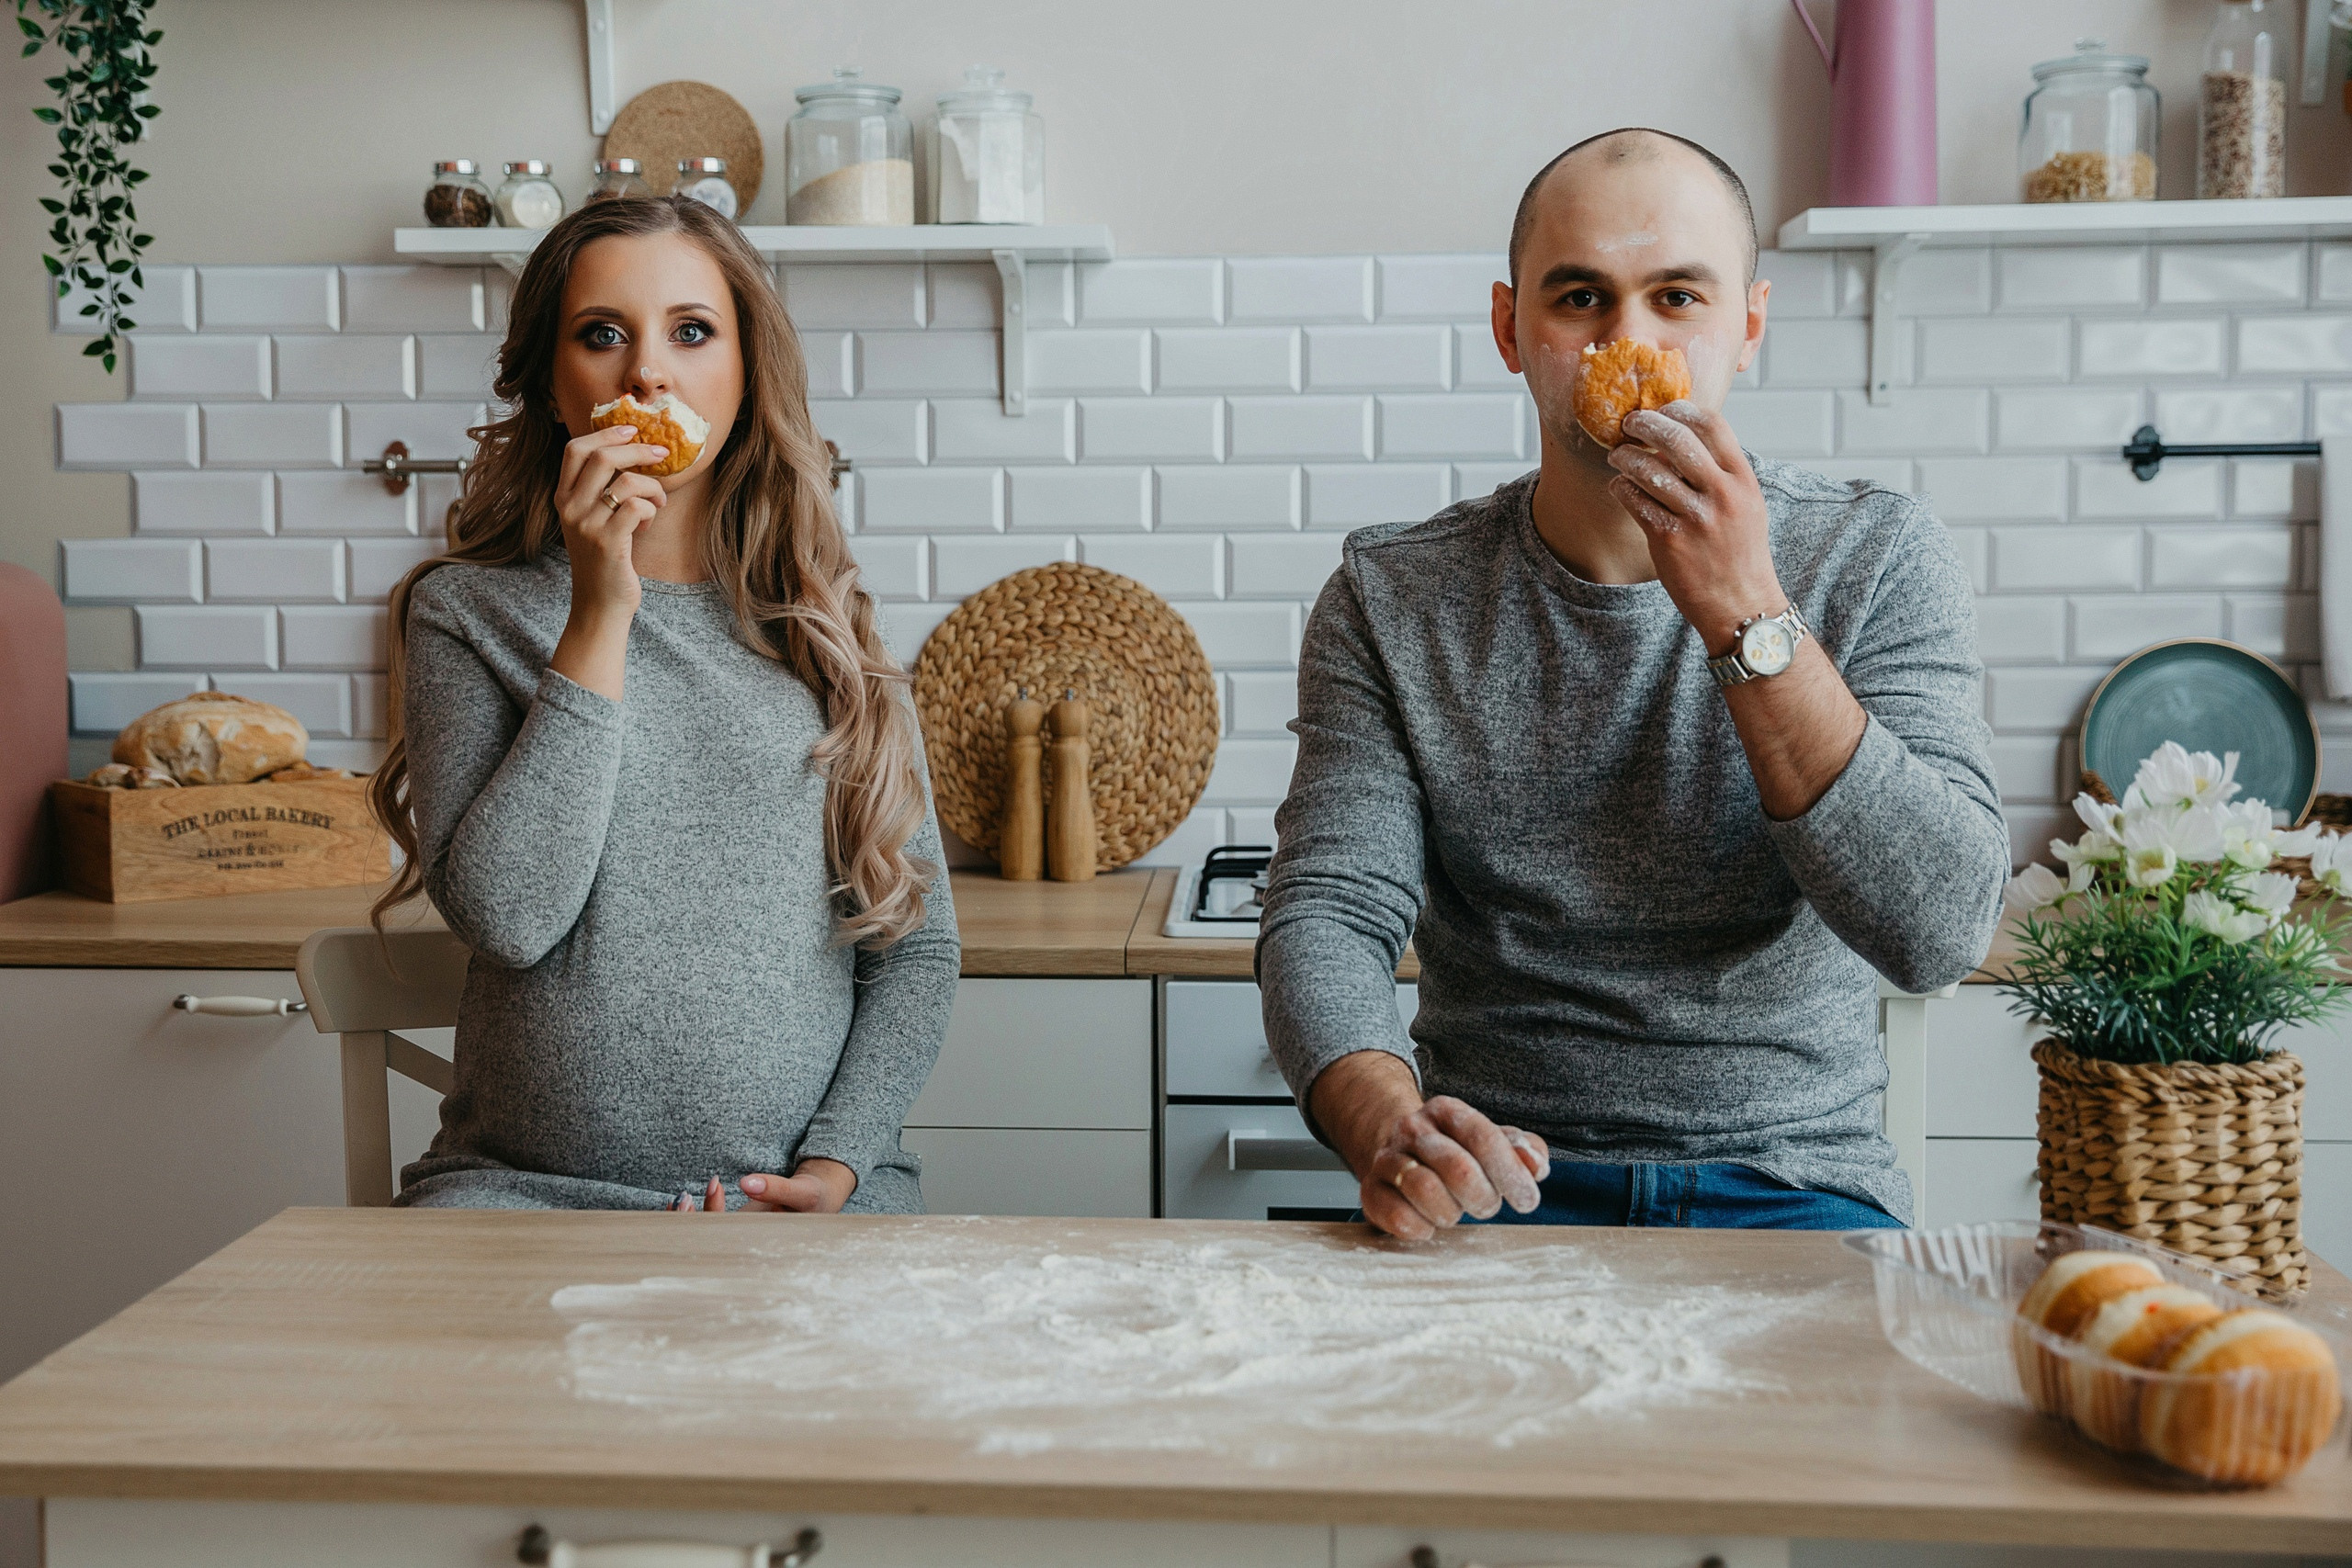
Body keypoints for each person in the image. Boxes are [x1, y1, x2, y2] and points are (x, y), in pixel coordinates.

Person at [1257, 129, 2007, 1241]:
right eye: (1580, 300)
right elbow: (1330, 909)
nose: (1631, 341)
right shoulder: (1391, 596)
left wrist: (1748, 614)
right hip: (1500, 1184)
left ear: (1747, 323)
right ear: (1514, 329)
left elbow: (1937, 930)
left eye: (1676, 298)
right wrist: (1387, 1123)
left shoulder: (1875, 556)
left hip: (1797, 1185)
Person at [368, 195, 959, 1214]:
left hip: (803, 1204)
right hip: (525, 1196)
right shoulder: (465, 613)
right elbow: (509, 920)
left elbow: (915, 946)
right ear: (552, 385)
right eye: (603, 335)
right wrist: (599, 613)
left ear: (743, 372)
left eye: (692, 332)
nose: (648, 371)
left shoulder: (821, 629)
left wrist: (835, 1164)